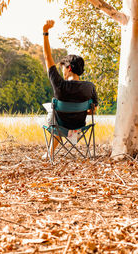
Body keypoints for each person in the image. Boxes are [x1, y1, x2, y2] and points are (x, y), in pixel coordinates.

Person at [42, 20, 98, 157]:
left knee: (52, 109)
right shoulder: (90, 87)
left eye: (63, 69)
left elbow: (47, 57)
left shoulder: (59, 84)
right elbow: (93, 111)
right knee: (57, 113)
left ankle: (50, 152)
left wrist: (45, 33)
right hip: (78, 129)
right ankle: (57, 147)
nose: (62, 73)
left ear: (69, 68)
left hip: (60, 128)